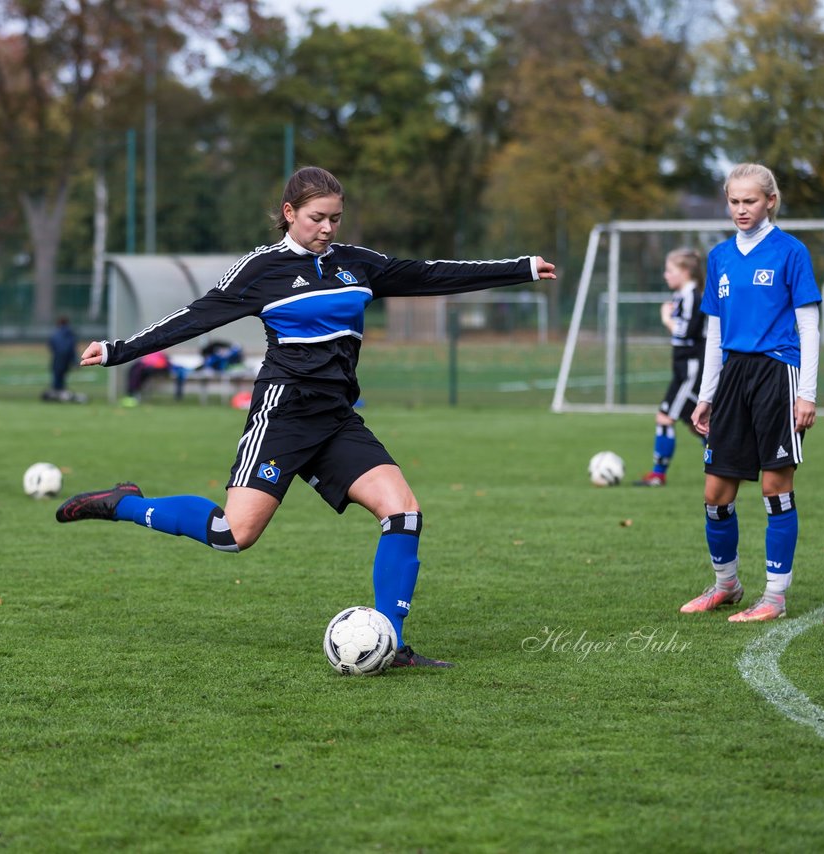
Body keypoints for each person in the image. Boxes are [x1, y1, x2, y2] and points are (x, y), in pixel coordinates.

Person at [56, 166, 556, 667]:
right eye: (318, 218)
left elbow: (429, 275)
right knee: (233, 535)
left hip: (337, 418)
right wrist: (120, 349)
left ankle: (390, 642)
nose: (328, 229)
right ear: (289, 213)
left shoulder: (357, 264)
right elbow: (196, 316)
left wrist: (521, 268)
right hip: (285, 415)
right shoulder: (260, 270)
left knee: (403, 513)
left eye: (336, 219)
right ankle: (122, 504)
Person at [680, 163, 821, 623]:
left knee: (774, 487)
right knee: (716, 492)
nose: (741, 209)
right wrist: (706, 395)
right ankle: (727, 585)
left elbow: (809, 326)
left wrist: (808, 393)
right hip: (733, 376)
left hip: (778, 373)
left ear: (770, 202)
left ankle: (775, 598)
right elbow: (714, 333)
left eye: (750, 201)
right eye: (734, 201)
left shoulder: (791, 251)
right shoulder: (719, 256)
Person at [634, 248, 705, 486]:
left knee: (665, 418)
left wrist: (666, 318)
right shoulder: (682, 296)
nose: (665, 275)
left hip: (691, 369)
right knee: (696, 423)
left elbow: (686, 333)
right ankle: (730, 464)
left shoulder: (692, 296)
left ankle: (658, 475)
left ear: (685, 272)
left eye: (670, 270)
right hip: (684, 369)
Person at [44, 316, 81, 402]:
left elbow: (51, 344)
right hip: (66, 359)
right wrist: (75, 361)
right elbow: (72, 349)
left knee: (57, 377)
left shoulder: (56, 333)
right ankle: (61, 394)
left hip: (57, 358)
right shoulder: (71, 334)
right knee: (62, 377)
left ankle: (56, 395)